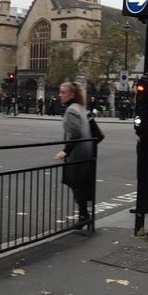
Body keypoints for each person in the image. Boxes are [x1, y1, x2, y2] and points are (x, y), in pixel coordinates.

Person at [55, 81, 94, 228]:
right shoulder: (80, 108)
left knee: (77, 186)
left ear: (72, 94)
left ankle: (84, 216)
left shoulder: (71, 110)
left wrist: (65, 151)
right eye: (60, 92)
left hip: (77, 155)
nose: (60, 95)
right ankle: (84, 216)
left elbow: (76, 134)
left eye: (63, 92)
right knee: (80, 187)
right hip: (86, 154)